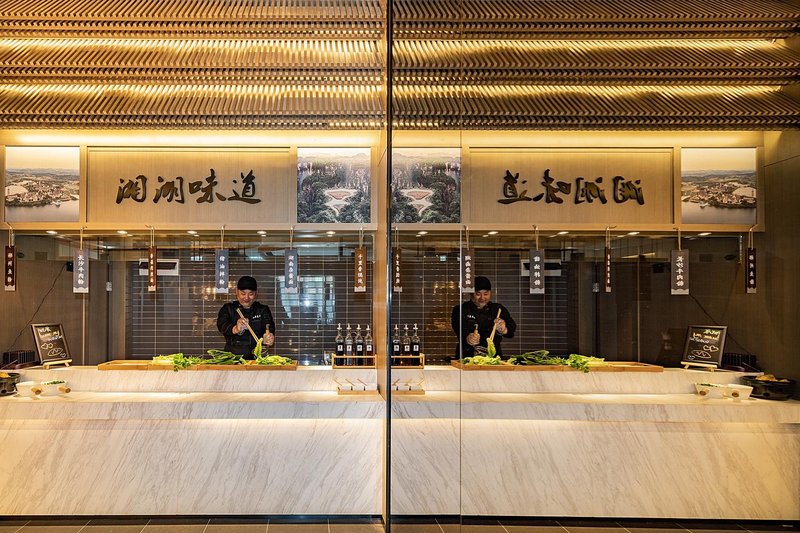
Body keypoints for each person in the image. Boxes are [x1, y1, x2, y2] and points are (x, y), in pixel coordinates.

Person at [451, 276, 516, 358]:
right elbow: (458, 330)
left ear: (490, 293)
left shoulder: (498, 309)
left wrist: (504, 329)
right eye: (478, 294)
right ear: (471, 294)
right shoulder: (461, 309)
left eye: (486, 294)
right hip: (467, 356)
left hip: (493, 357)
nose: (482, 298)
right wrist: (468, 338)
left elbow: (511, 330)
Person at [217, 275, 275, 358]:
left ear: (256, 293)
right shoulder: (228, 308)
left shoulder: (262, 309)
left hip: (256, 358)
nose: (246, 298)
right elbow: (222, 325)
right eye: (243, 293)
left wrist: (268, 336)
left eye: (251, 294)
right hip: (232, 358)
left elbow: (268, 325)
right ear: (236, 292)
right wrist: (236, 328)